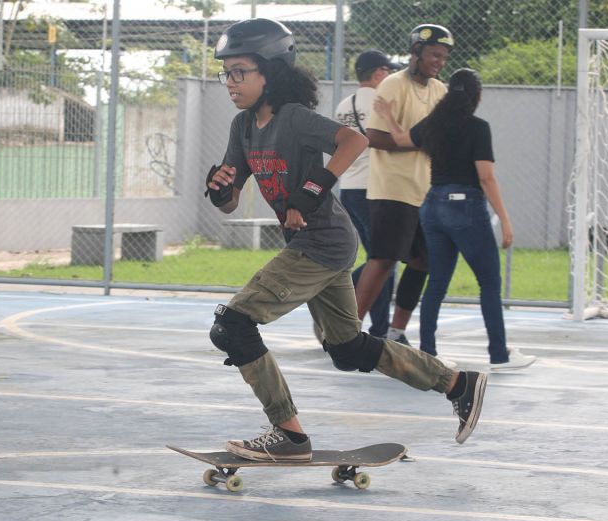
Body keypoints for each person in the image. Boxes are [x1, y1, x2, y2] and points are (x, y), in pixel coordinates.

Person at [205, 18, 488, 462]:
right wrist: (220, 187)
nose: (230, 82)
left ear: (271, 72)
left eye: (240, 71)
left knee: (233, 326)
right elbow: (229, 198)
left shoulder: (294, 118)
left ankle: (290, 436)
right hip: (328, 244)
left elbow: (353, 141)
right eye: (227, 72)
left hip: (320, 242)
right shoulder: (243, 127)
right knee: (348, 348)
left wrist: (314, 188)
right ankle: (456, 383)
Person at [373, 68, 537, 371]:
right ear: (478, 96)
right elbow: (486, 177)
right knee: (489, 282)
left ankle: (429, 352)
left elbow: (399, 139)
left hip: (432, 205)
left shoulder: (434, 125)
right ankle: (499, 354)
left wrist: (387, 114)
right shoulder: (478, 128)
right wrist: (505, 219)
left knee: (437, 280)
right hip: (465, 207)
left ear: (449, 94)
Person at [355, 24, 454, 347]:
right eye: (433, 55)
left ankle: (397, 332)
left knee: (423, 261)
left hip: (426, 191)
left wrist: (422, 142)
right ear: (416, 52)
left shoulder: (440, 90)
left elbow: (441, 137)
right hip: (392, 188)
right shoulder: (393, 86)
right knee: (383, 259)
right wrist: (418, 142)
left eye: (443, 57)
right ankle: (346, 330)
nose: (439, 61)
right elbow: (374, 137)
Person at [332, 50, 400, 339]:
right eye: (388, 72)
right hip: (375, 189)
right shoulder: (382, 103)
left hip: (350, 188)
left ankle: (377, 326)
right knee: (384, 259)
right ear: (378, 74)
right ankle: (371, 323)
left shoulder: (343, 106)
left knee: (379, 256)